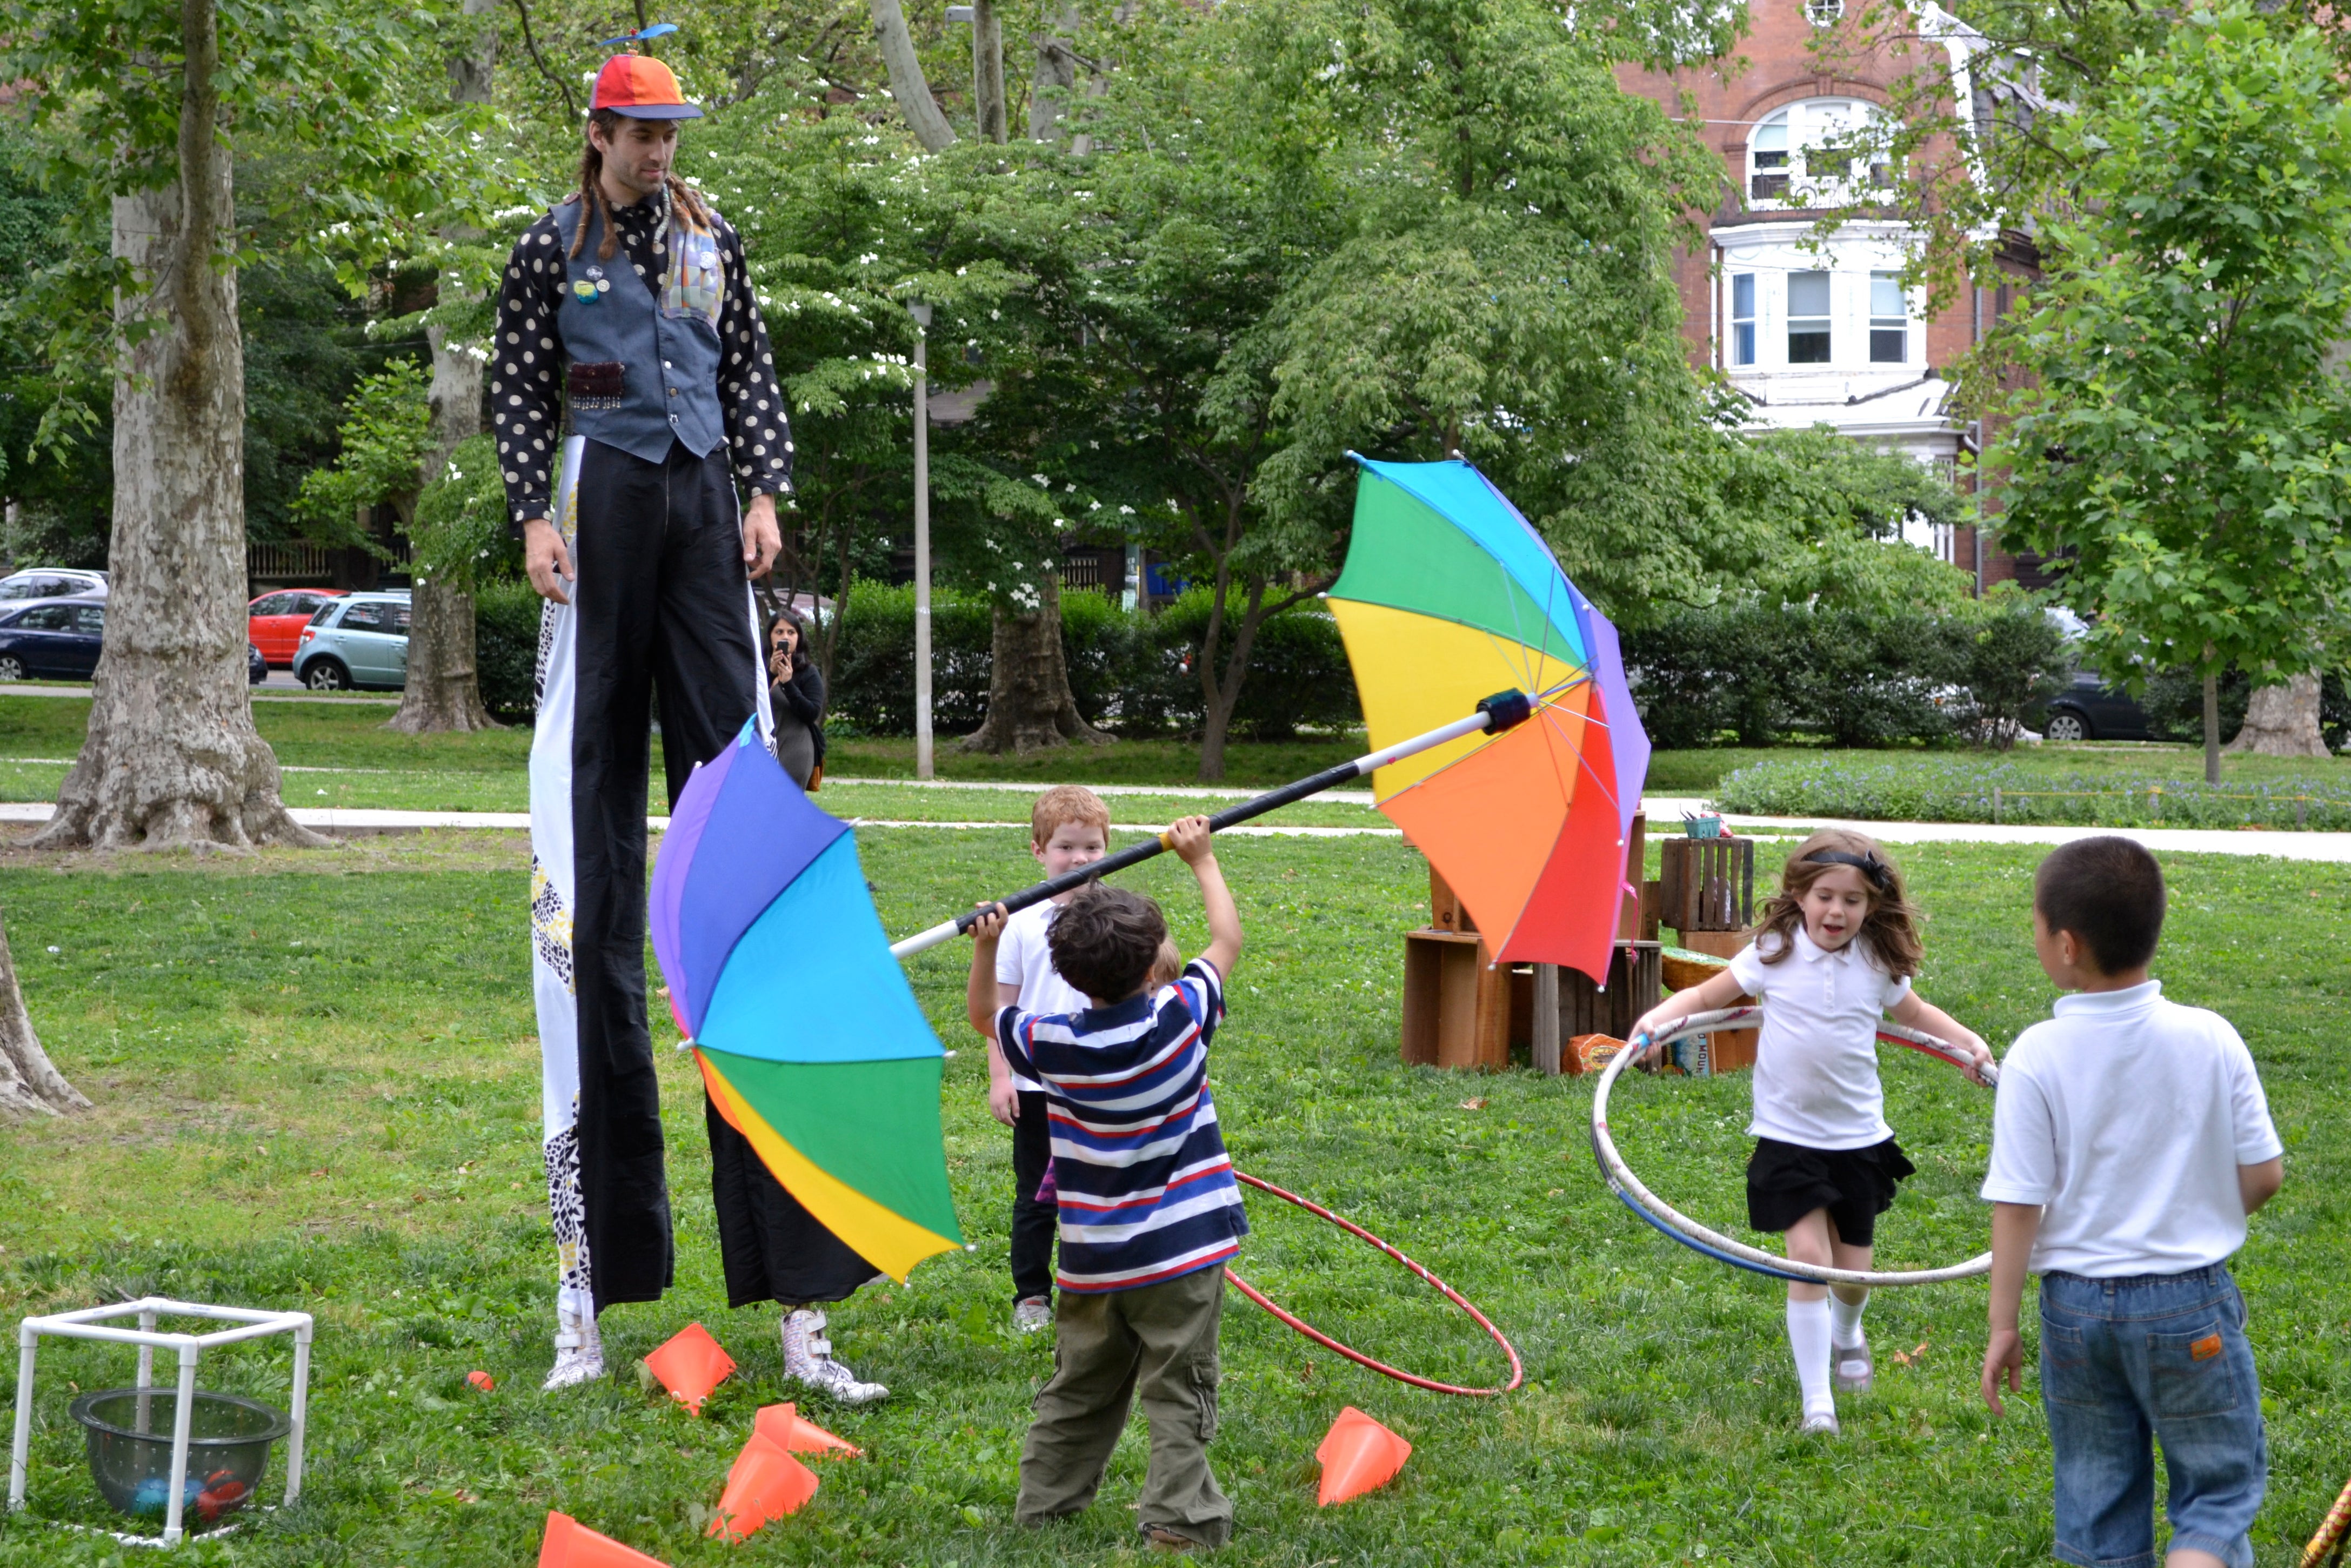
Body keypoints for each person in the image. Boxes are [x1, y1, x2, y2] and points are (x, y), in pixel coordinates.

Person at [496, 47, 880, 1403]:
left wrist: (764, 490)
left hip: (707, 501)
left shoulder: (715, 243)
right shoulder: (551, 249)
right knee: (599, 886)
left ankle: (803, 1308)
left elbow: (757, 374)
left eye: (670, 134)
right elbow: (515, 392)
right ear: (599, 133)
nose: (659, 153)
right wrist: (534, 514)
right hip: (604, 504)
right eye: (641, 134)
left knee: (746, 849)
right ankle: (593, 1292)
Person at [1979, 837, 2282, 1568]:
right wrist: (2202, 1209)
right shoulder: (2210, 1036)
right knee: (2214, 1497)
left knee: (2096, 1504)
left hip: (2075, 1313)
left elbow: (2018, 1203)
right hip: (2190, 1306)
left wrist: (2001, 1324)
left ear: (2063, 943)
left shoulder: (2035, 1053)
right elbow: (2265, 1174)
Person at [1631, 828, 1990, 1435]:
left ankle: (1849, 1334)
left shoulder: (1876, 962)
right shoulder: (1774, 949)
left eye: (1852, 901)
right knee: (1807, 1262)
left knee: (1852, 1275)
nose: (1836, 910)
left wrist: (1968, 1045)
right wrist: (1658, 1020)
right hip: (1788, 1138)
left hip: (1857, 1140)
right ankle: (1816, 1404)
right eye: (1825, 895)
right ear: (1800, 894)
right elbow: (1706, 994)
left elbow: (1918, 1016)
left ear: (1871, 907)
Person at [965, 817, 1246, 1553]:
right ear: (1156, 961)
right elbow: (1227, 940)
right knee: (1176, 1388)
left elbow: (984, 1017)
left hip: (1092, 1265)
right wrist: (1202, 858)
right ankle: (1179, 1522)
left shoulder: (1052, 1042)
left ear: (1067, 970)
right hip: (1182, 1260)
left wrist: (989, 943)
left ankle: (1045, 1507)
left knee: (1080, 1386)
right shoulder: (1181, 1018)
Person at [985, 786, 1112, 1334]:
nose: (1079, 859)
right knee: (1037, 1197)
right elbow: (998, 1010)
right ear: (1039, 849)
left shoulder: (1118, 917)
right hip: (1037, 1087)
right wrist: (1000, 1076)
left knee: (1102, 1193)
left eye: (1092, 847)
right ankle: (1032, 1296)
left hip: (1102, 1085)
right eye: (1066, 847)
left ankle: (1101, 1289)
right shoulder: (1020, 921)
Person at [766, 608, 825, 789]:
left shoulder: (808, 672)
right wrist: (770, 675)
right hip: (765, 749)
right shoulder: (760, 670)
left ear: (799, 637)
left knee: (785, 808)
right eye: (779, 632)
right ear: (770, 636)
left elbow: (812, 713)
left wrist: (788, 684)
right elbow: (749, 705)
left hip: (795, 749)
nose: (785, 637)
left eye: (791, 632)